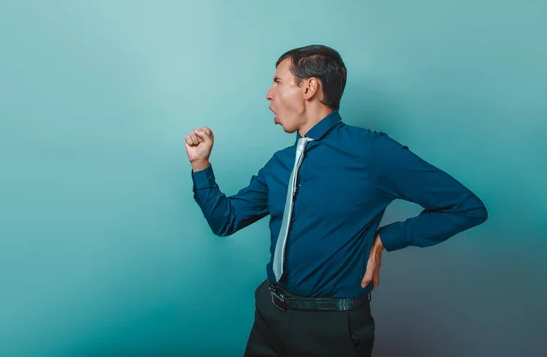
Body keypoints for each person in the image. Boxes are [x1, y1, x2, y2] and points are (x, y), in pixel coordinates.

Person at [184, 45, 489, 356]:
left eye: (277, 82)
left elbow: (466, 208)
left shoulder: (371, 152)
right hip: (269, 317)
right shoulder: (280, 163)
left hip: (330, 328)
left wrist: (385, 238)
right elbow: (225, 220)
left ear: (309, 87)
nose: (268, 94)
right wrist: (200, 166)